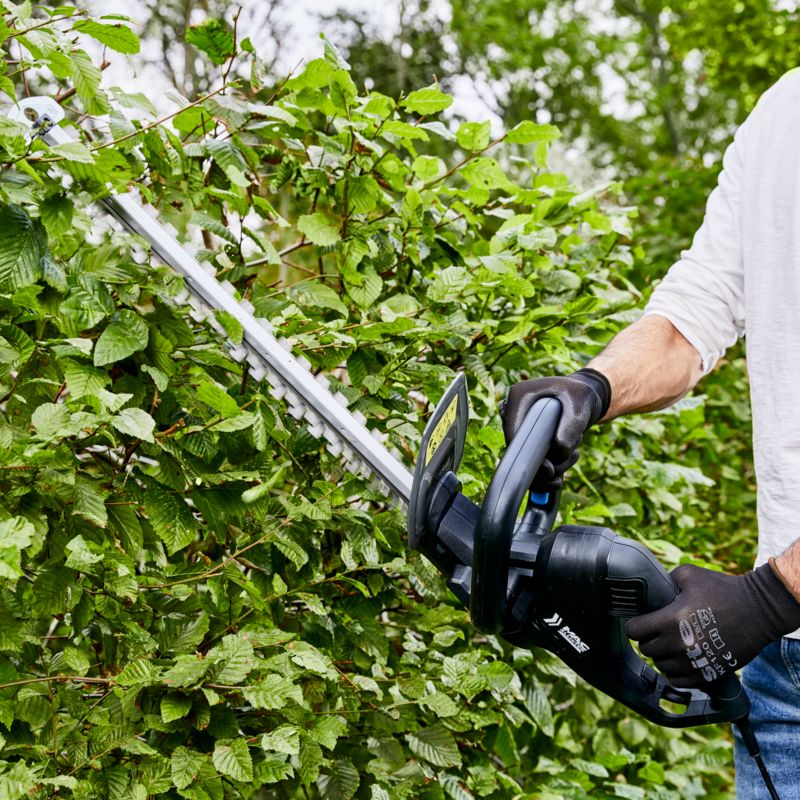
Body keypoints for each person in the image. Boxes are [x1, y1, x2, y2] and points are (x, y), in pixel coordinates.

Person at [500, 68, 800, 797]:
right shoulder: (784, 113)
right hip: (784, 677)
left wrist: (775, 594)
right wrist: (591, 388)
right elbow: (699, 308)